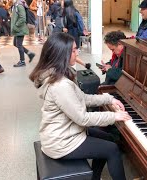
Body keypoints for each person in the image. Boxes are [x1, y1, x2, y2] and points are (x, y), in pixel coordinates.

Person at [29, 32, 130, 180]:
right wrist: (114, 116)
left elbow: (82, 98)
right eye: (74, 50)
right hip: (62, 142)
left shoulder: (59, 74)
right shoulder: (60, 85)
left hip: (66, 132)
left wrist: (109, 99)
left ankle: (94, 177)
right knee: (112, 150)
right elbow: (83, 119)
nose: (77, 53)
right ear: (62, 54)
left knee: (109, 139)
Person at [11, 0, 36, 67]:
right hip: (18, 29)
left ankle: (22, 61)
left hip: (20, 29)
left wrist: (16, 25)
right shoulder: (16, 5)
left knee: (18, 45)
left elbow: (23, 18)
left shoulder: (19, 5)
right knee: (15, 43)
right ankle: (30, 54)